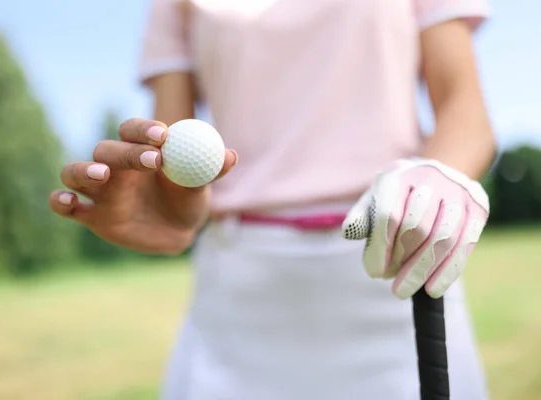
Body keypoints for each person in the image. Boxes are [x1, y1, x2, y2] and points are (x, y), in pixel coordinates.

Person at [49, 0, 496, 398]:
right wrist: (171, 206)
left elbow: (466, 110)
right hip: (238, 296)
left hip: (396, 259)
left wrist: (441, 172)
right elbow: (168, 145)